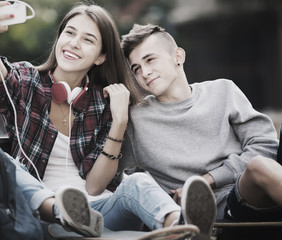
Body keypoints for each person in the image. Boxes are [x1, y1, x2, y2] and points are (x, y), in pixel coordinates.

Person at [0, 2, 211, 239]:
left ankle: (180, 227)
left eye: (88, 40)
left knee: (136, 182)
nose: (74, 43)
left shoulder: (102, 101)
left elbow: (95, 187)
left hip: (99, 215)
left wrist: (119, 121)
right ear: (59, 38)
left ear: (100, 57)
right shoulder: (27, 82)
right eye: (70, 33)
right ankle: (60, 211)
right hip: (44, 217)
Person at [119, 23, 282, 239]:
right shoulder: (135, 120)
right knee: (258, 167)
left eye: (150, 60)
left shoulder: (223, 91)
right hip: (214, 219)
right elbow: (111, 179)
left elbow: (267, 146)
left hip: (249, 191)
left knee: (259, 165)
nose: (145, 72)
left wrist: (208, 179)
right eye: (137, 68)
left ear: (178, 56)